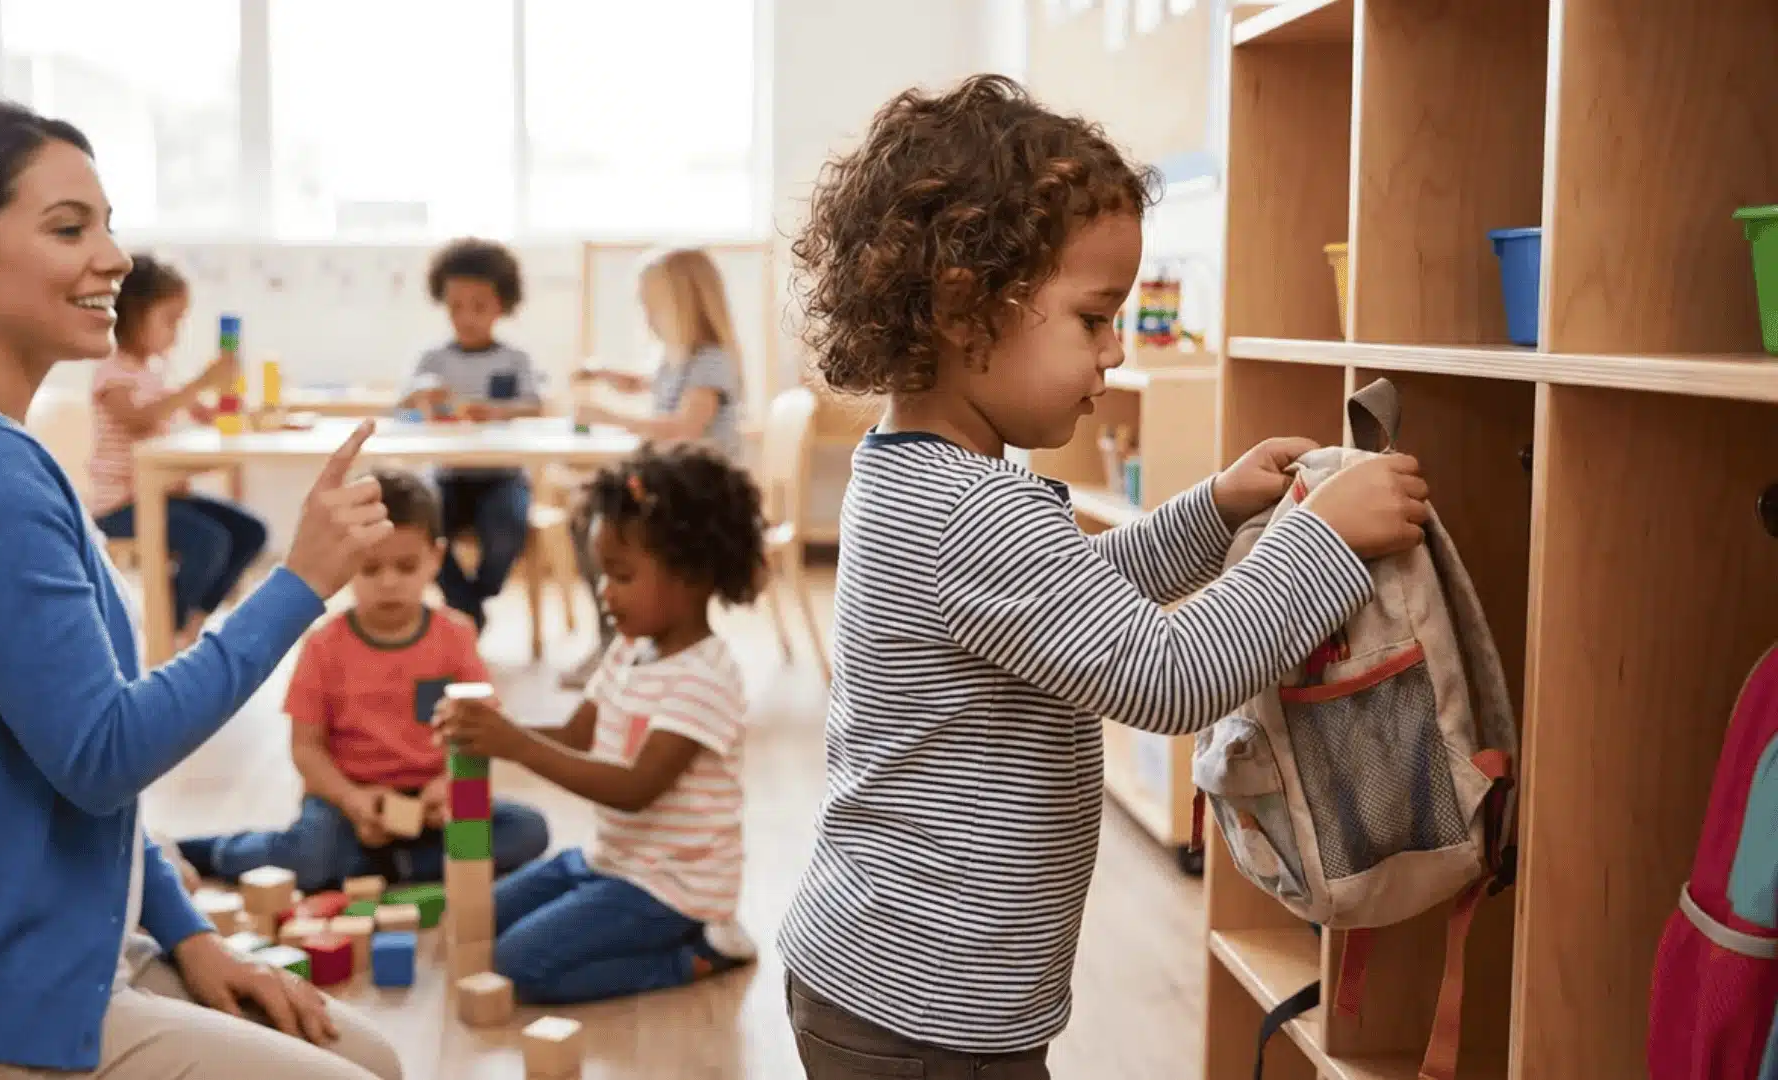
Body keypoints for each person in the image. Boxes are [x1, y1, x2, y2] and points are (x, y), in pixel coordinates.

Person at [771, 75, 1433, 1079]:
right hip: (923, 1015)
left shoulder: (918, 471)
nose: (1116, 353)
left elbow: (1074, 597)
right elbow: (1162, 673)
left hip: (897, 983)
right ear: (963, 308)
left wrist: (1213, 511)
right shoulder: (967, 508)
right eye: (1093, 319)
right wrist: (1325, 542)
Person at [0, 100, 402, 1079]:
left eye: (109, 223)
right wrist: (300, 580)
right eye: (70, 228)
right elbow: (102, 754)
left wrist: (189, 932)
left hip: (32, 936)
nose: (112, 257)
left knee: (368, 1054)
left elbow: (49, 760)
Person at [434, 441, 765, 1005]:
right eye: (601, 575)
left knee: (521, 963)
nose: (604, 594)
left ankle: (700, 953)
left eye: (622, 576)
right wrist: (494, 731)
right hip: (609, 860)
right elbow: (575, 737)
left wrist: (514, 744)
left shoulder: (705, 678)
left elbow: (636, 789)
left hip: (673, 889)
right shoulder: (629, 651)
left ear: (693, 575)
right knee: (471, 917)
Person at [175, 468, 551, 891]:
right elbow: (306, 748)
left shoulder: (455, 637)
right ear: (347, 564)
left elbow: (478, 736)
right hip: (345, 804)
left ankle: (377, 866)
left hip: (429, 804)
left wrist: (446, 786)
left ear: (437, 559)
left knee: (527, 829)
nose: (389, 582)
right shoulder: (324, 645)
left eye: (406, 566)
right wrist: (353, 800)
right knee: (312, 853)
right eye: (370, 569)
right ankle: (208, 852)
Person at [559, 247, 748, 687]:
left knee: (590, 515)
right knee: (586, 507)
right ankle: (619, 635)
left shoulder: (712, 361)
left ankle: (617, 638)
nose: (645, 316)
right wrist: (605, 374)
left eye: (650, 305)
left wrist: (609, 416)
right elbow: (645, 382)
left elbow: (684, 425)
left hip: (703, 497)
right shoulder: (676, 360)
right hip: (676, 485)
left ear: (679, 305)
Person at [90, 252, 269, 650]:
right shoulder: (114, 371)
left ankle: (191, 622)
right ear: (134, 315)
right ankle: (165, 631)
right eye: (170, 320)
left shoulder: (155, 372)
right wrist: (199, 382)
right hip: (120, 505)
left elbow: (196, 414)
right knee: (209, 542)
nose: (176, 332)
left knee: (249, 532)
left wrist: (231, 401)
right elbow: (138, 419)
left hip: (161, 495)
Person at [398, 237, 542, 632]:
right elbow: (402, 408)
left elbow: (535, 406)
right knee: (423, 525)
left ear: (503, 305)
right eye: (455, 306)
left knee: (507, 530)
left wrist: (496, 411)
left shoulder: (515, 360)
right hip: (446, 474)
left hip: (502, 474)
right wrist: (419, 395)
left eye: (479, 306)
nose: (466, 316)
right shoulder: (433, 360)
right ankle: (466, 609)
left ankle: (473, 602)